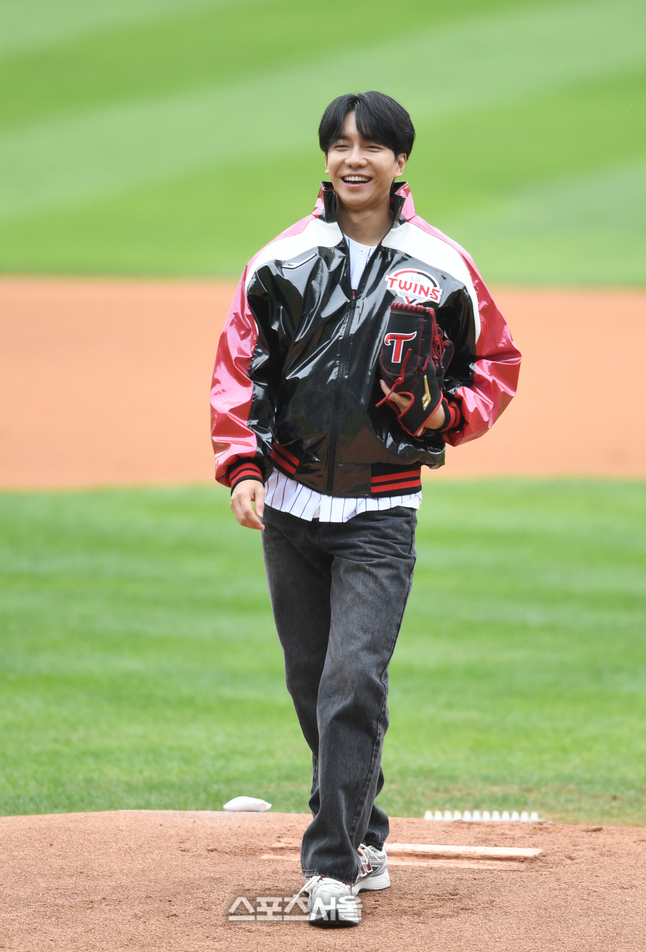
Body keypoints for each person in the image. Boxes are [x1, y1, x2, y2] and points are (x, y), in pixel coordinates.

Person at [210, 91, 521, 927]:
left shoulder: (441, 264)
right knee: (312, 681)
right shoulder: (281, 260)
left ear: (399, 161)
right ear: (326, 158)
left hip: (383, 510)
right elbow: (242, 368)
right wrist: (242, 467)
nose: (355, 159)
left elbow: (494, 365)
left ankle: (332, 869)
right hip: (289, 505)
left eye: (372, 146)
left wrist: (445, 415)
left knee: (354, 679)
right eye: (341, 145)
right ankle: (366, 829)